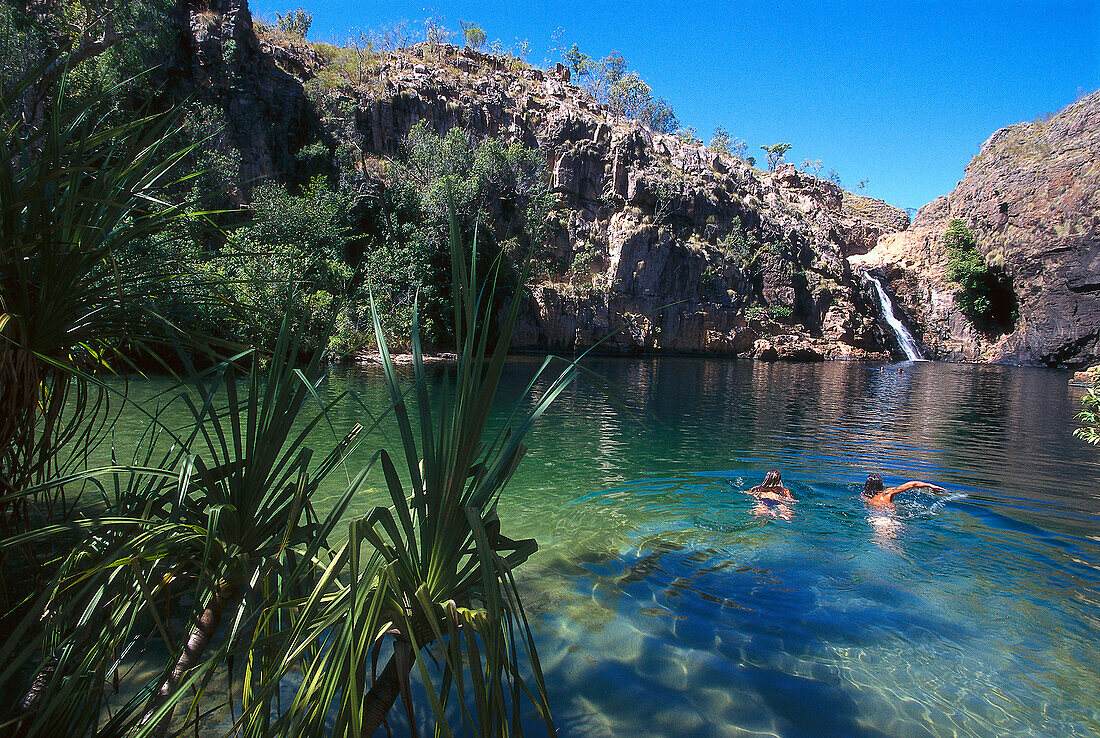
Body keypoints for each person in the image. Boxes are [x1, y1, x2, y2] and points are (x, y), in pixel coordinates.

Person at [862, 474, 946, 506]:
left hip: (874, 519)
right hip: (888, 520)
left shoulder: (865, 497)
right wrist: (930, 486)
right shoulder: (886, 493)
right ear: (880, 484)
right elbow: (911, 484)